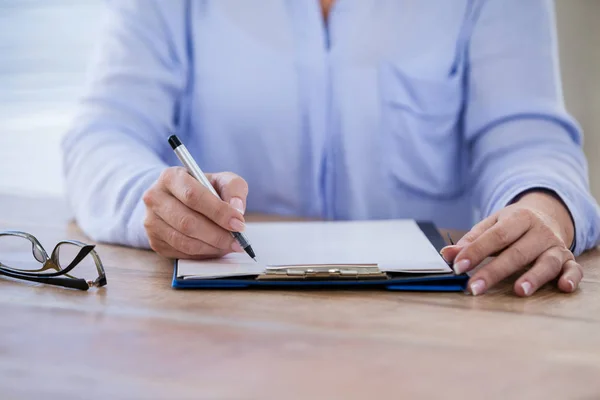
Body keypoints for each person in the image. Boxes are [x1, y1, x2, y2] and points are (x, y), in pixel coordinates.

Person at [62, 0, 600, 297]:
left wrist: (544, 207)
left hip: (442, 324)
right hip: (225, 329)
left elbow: (526, 137)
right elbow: (102, 134)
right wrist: (156, 203)